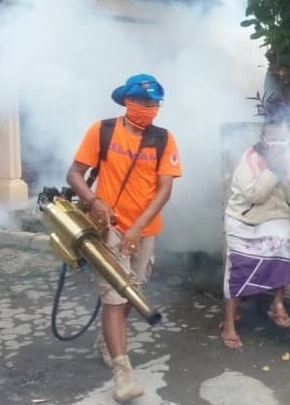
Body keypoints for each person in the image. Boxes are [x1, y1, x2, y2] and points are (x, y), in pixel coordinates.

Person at [66, 74, 182, 402]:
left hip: (144, 232)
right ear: (128, 101)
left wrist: (137, 227)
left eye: (157, 103)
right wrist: (94, 201)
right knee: (116, 298)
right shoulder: (101, 131)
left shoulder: (163, 139)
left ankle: (106, 341)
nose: (153, 109)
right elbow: (74, 173)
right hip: (108, 232)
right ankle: (122, 371)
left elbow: (165, 189)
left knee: (132, 294)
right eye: (146, 103)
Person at [221, 121, 290, 350]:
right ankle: (229, 323)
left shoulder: (288, 157)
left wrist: (288, 173)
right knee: (238, 268)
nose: (280, 143)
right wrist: (274, 170)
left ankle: (277, 303)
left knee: (282, 242)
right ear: (264, 139)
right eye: (275, 138)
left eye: (283, 138)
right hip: (244, 221)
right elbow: (255, 195)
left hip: (272, 219)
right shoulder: (250, 158)